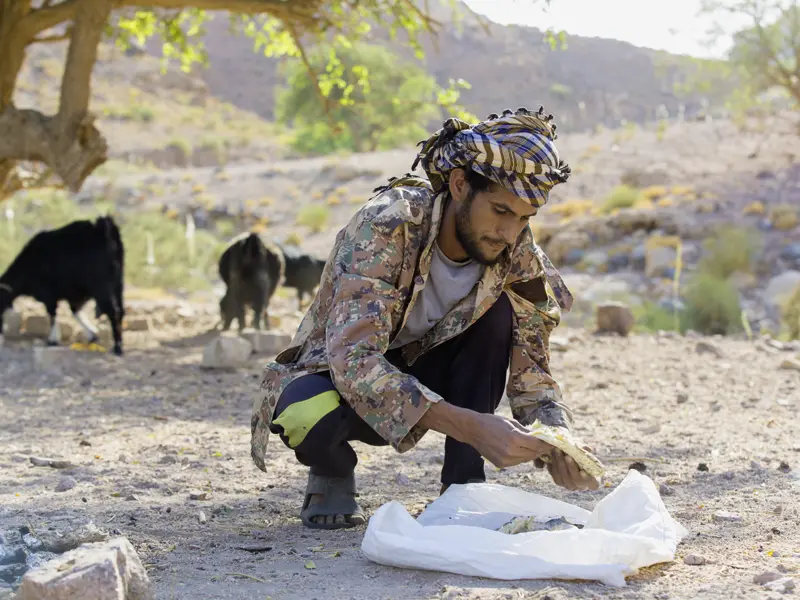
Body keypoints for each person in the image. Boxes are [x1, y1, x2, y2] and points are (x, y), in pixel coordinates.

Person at [250, 106, 599, 530]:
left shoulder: (518, 256)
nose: (509, 232)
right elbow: (355, 362)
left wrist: (559, 441)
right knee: (304, 414)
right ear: (458, 184)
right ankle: (333, 469)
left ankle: (463, 487)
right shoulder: (387, 225)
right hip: (343, 376)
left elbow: (534, 376)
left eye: (525, 217)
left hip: (430, 374)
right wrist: (472, 426)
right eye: (501, 210)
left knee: (498, 315)